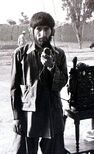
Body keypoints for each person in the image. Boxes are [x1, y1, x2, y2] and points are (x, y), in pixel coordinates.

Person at [10, 11, 68, 154]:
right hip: (28, 112)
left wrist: (51, 67)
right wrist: (16, 117)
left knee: (55, 150)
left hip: (52, 110)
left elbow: (60, 84)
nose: (42, 34)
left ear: (52, 31)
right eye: (38, 29)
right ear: (32, 31)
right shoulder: (20, 54)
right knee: (24, 151)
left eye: (46, 29)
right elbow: (14, 89)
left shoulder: (59, 54)